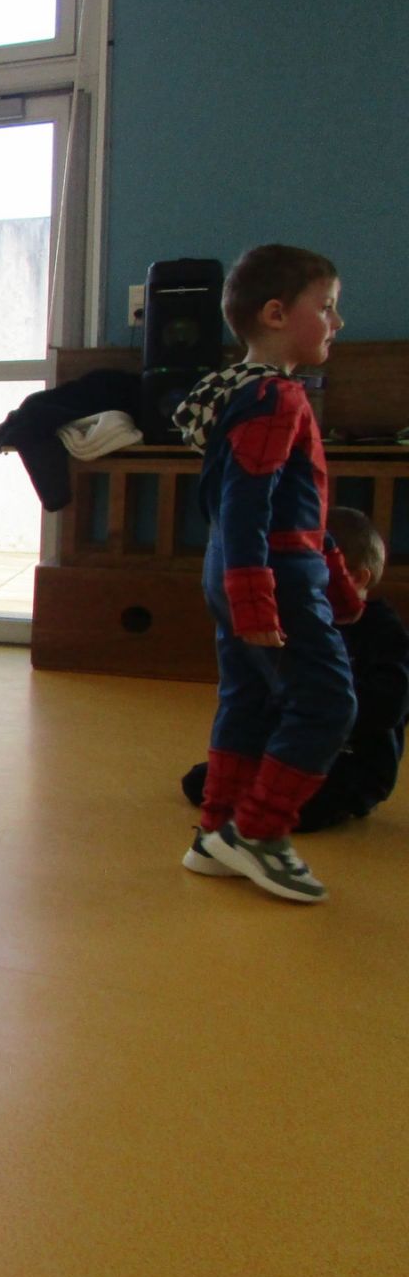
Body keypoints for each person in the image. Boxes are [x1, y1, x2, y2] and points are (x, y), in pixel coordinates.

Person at [173, 244, 355, 902]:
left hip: (242, 570)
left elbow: (293, 506)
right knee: (328, 701)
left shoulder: (241, 393)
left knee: (248, 701)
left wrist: (335, 575)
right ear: (276, 314)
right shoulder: (275, 397)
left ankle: (216, 832)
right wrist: (256, 599)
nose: (337, 322)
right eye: (326, 307)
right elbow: (245, 501)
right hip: (270, 578)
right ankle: (258, 833)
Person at [182, 506, 408, 835]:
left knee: (306, 808)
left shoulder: (383, 632)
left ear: (356, 577)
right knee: (200, 782)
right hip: (292, 753)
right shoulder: (303, 621)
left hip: (352, 762)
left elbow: (389, 706)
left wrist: (324, 707)